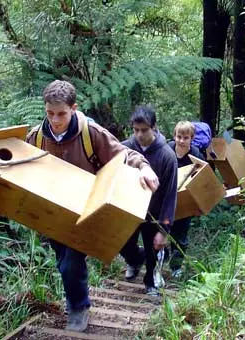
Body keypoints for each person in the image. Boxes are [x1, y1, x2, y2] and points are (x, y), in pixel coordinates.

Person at [26, 80, 159, 332]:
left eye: (62, 114)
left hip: (86, 210)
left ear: (74, 108)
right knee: (62, 260)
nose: (55, 120)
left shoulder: (90, 133)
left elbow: (123, 154)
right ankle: (77, 297)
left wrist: (145, 167)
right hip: (53, 212)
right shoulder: (36, 137)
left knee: (71, 262)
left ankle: (79, 307)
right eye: (50, 113)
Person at [119, 105, 178, 296]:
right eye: (135, 130)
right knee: (124, 245)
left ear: (154, 127)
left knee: (153, 248)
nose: (139, 135)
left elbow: (170, 195)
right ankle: (134, 261)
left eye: (144, 130)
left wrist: (164, 230)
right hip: (128, 210)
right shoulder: (125, 148)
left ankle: (151, 282)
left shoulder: (167, 156)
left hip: (153, 212)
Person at [167, 121, 204, 278]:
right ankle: (159, 261)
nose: (181, 141)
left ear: (192, 138)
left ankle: (176, 266)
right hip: (166, 200)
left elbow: (202, 179)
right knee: (161, 231)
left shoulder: (196, 155)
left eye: (186, 137)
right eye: (179, 137)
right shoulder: (167, 150)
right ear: (174, 136)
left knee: (180, 236)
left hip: (185, 202)